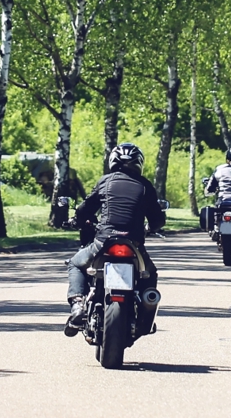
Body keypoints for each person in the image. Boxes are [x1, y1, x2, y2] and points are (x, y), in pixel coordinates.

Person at [64, 143, 166, 333]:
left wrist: (76, 220)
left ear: (113, 161)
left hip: (104, 241)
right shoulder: (145, 186)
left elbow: (86, 208)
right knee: (149, 273)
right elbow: (158, 220)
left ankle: (78, 304)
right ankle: (146, 312)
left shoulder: (105, 181)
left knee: (76, 263)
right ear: (139, 163)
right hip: (134, 243)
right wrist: (150, 227)